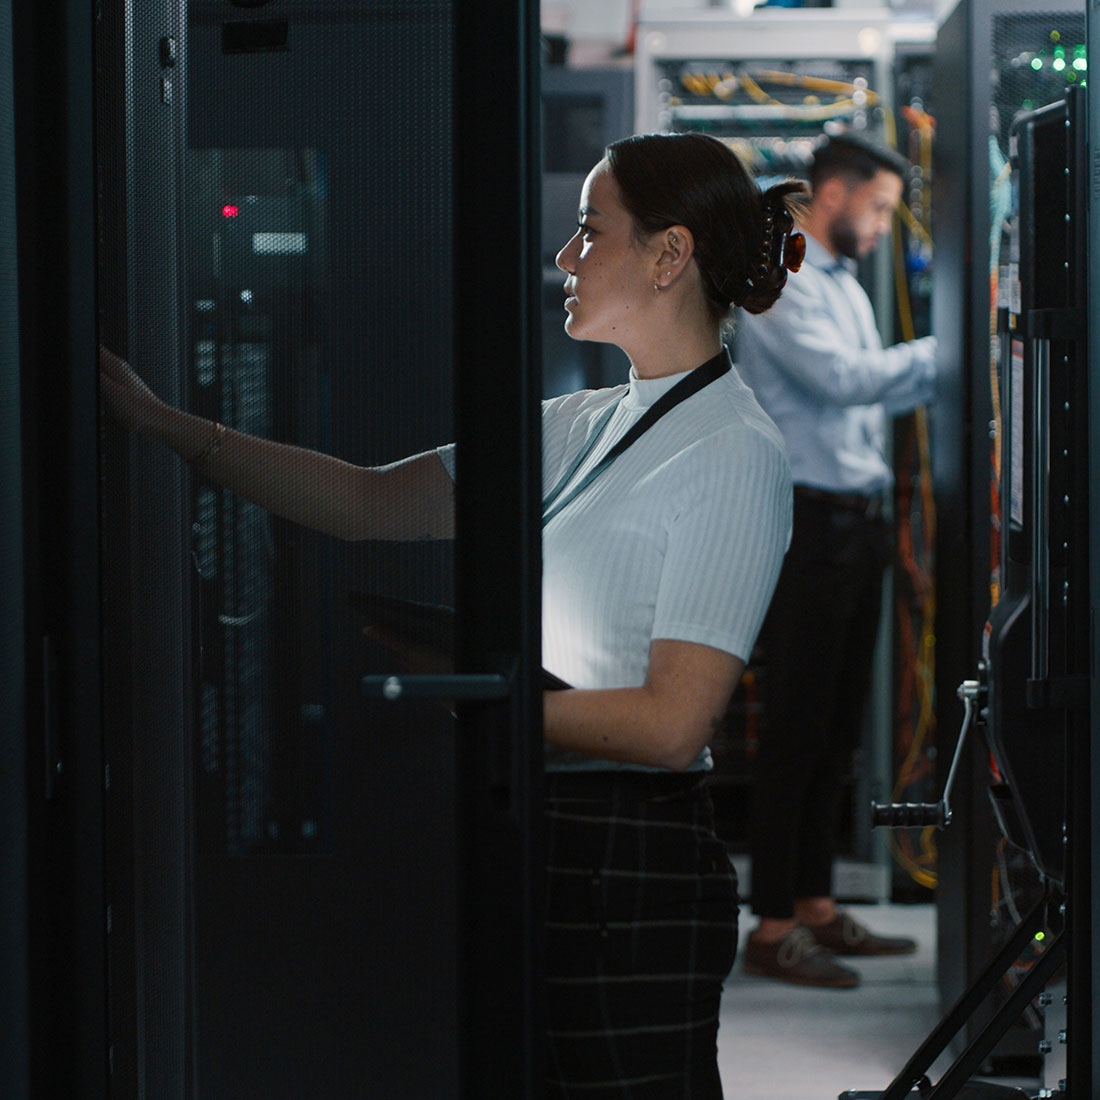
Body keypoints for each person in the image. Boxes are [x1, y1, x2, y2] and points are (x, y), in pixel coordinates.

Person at [101, 131, 805, 1097]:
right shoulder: (581, 424)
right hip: (549, 831)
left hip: (628, 862)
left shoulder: (734, 452)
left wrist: (484, 695)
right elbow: (365, 502)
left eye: (590, 231)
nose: (565, 257)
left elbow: (672, 725)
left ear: (669, 255)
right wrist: (168, 428)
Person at [734, 131, 938, 989]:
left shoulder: (845, 285)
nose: (886, 227)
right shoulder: (778, 286)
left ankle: (814, 907)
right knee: (796, 731)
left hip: (854, 527)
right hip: (805, 528)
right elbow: (843, 382)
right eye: (881, 208)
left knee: (839, 729)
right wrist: (951, 346)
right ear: (833, 193)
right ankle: (772, 925)